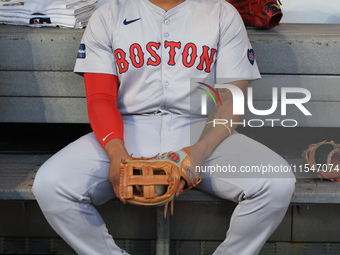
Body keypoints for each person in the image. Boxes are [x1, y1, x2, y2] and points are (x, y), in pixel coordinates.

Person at [32, 0, 296, 254]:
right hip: (127, 128)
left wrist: (198, 152)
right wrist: (116, 153)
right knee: (51, 184)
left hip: (201, 130)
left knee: (276, 181)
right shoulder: (109, 14)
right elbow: (101, 98)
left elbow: (231, 98)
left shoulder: (221, 13)